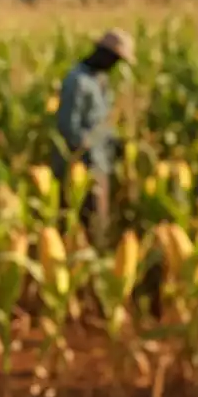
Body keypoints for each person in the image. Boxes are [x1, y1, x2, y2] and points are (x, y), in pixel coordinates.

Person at [53, 28, 135, 244]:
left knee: (99, 222)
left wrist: (116, 143)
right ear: (102, 53)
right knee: (86, 225)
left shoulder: (100, 80)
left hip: (100, 163)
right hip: (82, 169)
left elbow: (100, 122)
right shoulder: (77, 81)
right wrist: (86, 151)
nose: (115, 65)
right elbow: (69, 128)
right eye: (115, 59)